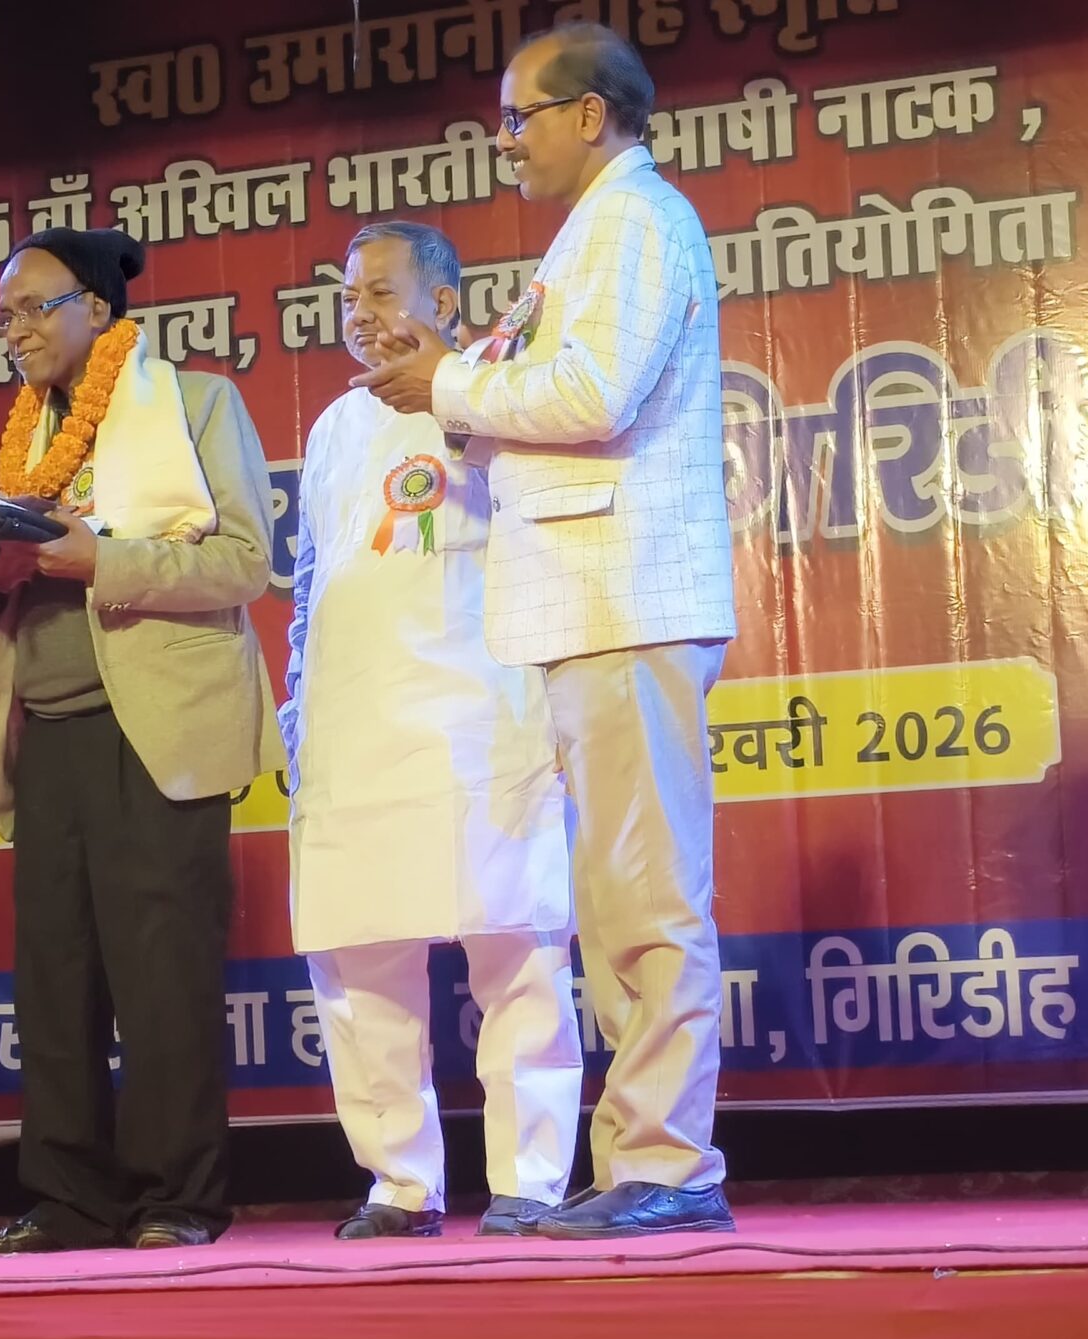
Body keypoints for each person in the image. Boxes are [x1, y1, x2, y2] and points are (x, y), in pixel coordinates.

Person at [353, 22, 739, 1240]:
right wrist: (449, 378)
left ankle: (669, 1161)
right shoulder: (590, 232)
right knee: (618, 897)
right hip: (589, 604)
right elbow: (538, 392)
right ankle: (643, 1157)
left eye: (519, 117)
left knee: (648, 894)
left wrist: (448, 385)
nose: (505, 140)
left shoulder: (634, 219)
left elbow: (590, 395)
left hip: (626, 598)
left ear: (589, 115)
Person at [0, 227, 280, 1254]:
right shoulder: (27, 442)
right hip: (46, 732)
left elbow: (244, 563)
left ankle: (179, 1199)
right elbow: (12, 601)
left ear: (96, 308)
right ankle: (69, 1199)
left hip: (156, 731)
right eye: (2, 315)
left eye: (33, 308)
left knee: (162, 975)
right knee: (55, 981)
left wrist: (101, 560)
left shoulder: (195, 403)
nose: (13, 331)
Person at [285, 220, 581, 1240]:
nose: (359, 314)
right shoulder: (334, 427)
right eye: (348, 297)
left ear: (444, 303)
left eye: (381, 292)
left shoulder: (494, 391)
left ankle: (531, 1182)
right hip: (354, 724)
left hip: (480, 715)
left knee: (516, 952)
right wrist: (299, 707)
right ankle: (398, 1185)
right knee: (359, 964)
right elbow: (312, 585)